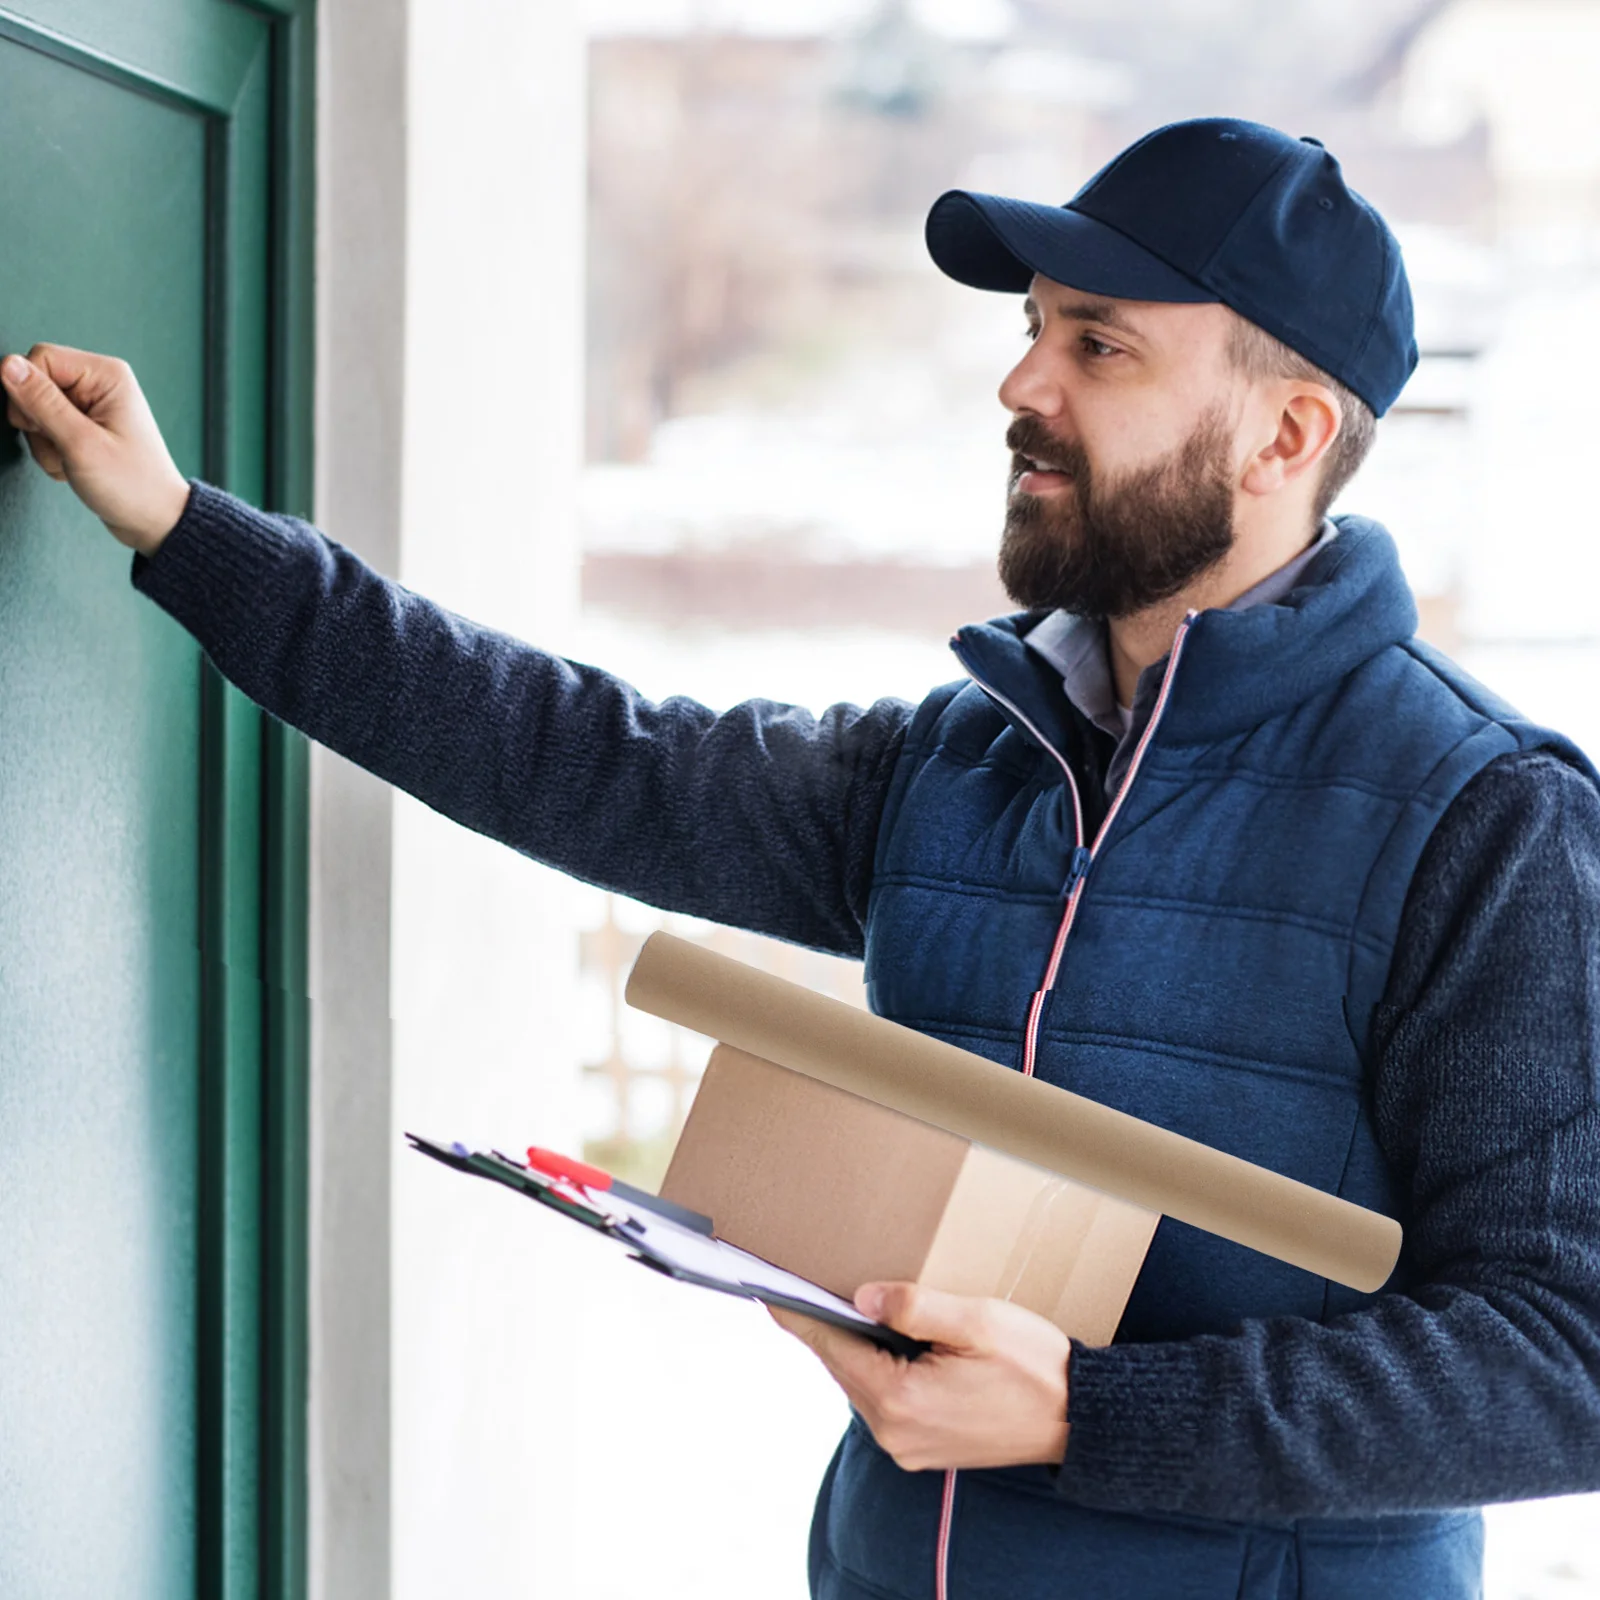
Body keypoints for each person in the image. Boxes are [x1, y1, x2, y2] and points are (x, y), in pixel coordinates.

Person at [5, 116, 1599, 1600]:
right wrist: (179, 525)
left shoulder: (1485, 818)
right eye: (1030, 328)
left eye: (1097, 346)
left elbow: (1568, 1353)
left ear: (1288, 433)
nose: (1023, 385)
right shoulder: (964, 764)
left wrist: (1087, 1415)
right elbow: (575, 753)